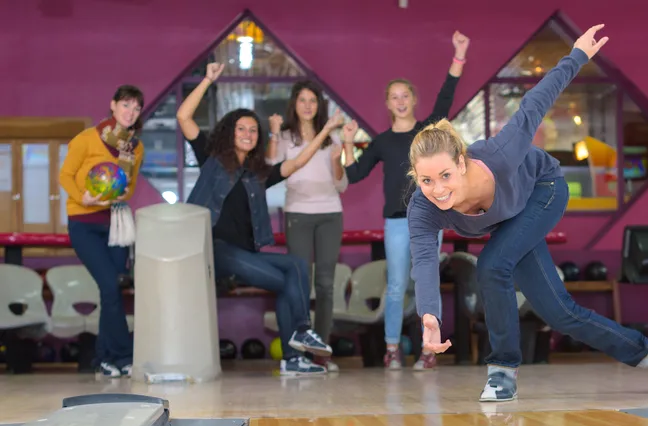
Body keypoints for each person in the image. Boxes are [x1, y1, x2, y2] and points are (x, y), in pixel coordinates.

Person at [405, 25, 648, 402]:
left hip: (544, 189)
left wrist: (577, 55)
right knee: (560, 313)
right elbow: (424, 261)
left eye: (444, 176)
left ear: (461, 163)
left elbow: (534, 104)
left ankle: (502, 369)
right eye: (426, 180)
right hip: (509, 218)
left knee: (492, 265)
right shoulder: (423, 208)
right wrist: (430, 317)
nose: (437, 189)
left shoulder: (500, 155)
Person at [176, 62, 339, 376]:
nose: (248, 134)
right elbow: (184, 116)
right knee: (289, 282)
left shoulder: (257, 174)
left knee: (295, 267)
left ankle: (298, 343)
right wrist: (208, 80)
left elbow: (297, 163)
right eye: (242, 128)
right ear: (230, 131)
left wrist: (325, 132)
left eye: (253, 130)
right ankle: (296, 348)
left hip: (246, 253)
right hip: (215, 250)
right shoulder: (211, 158)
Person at [341, 30, 469, 371]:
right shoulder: (381, 142)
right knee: (396, 286)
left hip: (429, 219)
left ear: (413, 99)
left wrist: (458, 55)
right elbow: (353, 175)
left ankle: (429, 350)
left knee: (427, 284)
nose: (400, 101)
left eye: (405, 95)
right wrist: (348, 143)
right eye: (393, 97)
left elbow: (446, 97)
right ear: (387, 104)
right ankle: (393, 348)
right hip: (397, 221)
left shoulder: (428, 131)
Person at [59, 84, 146, 379]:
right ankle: (122, 355)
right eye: (126, 105)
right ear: (112, 106)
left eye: (136, 108)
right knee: (109, 286)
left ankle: (105, 359)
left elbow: (131, 185)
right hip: (84, 223)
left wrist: (122, 195)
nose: (130, 113)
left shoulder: (136, 148)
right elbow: (65, 175)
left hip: (116, 224)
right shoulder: (86, 139)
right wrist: (81, 196)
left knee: (113, 290)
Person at [267, 80, 349, 372]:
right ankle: (295, 354)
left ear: (319, 105)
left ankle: (321, 352)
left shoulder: (331, 138)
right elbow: (271, 168)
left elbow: (341, 184)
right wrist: (274, 135)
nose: (307, 105)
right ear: (294, 104)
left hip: (330, 214)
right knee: (299, 284)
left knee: (325, 285)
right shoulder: (286, 137)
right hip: (298, 215)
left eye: (312, 100)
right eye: (302, 100)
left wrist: (338, 161)